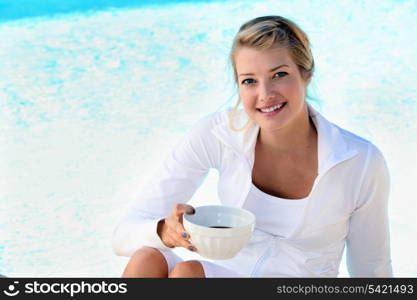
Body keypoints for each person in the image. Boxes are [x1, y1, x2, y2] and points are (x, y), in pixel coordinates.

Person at [112, 15, 393, 277]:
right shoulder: (219, 134)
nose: (265, 94)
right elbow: (123, 235)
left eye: (279, 75)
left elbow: (372, 269)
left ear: (306, 73)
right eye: (249, 81)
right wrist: (165, 231)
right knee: (147, 258)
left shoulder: (359, 161)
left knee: (188, 275)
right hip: (226, 274)